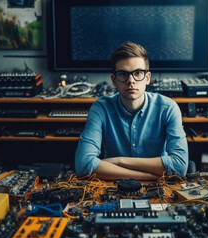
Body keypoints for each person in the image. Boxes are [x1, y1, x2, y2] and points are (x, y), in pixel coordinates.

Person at [75, 42, 188, 180]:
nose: (131, 81)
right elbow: (83, 165)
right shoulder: (100, 108)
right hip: (119, 184)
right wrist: (146, 176)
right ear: (114, 80)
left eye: (138, 73)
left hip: (158, 188)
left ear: (147, 78)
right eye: (123, 74)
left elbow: (179, 167)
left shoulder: (168, 108)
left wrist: (119, 161)